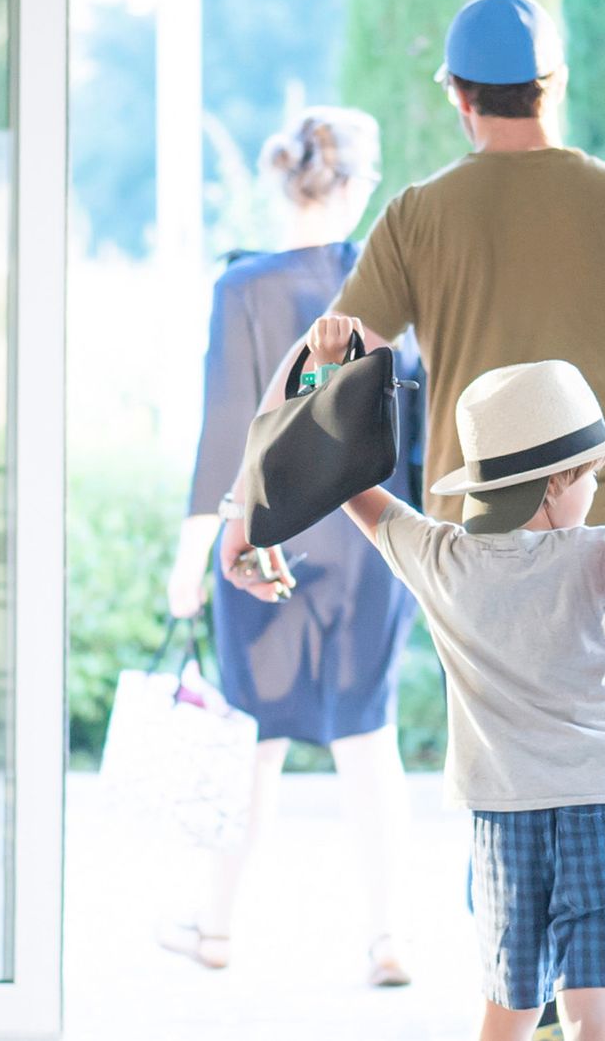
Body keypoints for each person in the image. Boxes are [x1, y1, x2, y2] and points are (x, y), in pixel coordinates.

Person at [219, 0, 605, 784]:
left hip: (483, 566)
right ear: (554, 82)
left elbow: (322, 365)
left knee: (501, 792)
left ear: (459, 95)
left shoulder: (419, 216)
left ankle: (507, 905)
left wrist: (249, 512)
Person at [307, 314, 605, 1041]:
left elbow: (348, 485)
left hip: (505, 813)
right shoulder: (597, 557)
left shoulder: (439, 560)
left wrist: (327, 374)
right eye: (589, 475)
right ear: (557, 482)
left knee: (512, 1003)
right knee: (594, 1012)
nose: (592, 490)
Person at [163, 107, 421, 986]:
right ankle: (388, 939)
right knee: (368, 738)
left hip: (263, 541)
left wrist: (190, 559)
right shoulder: (394, 290)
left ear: (284, 180)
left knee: (255, 743)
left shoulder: (241, 289)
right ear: (359, 185)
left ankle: (217, 926)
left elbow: (226, 431)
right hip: (374, 540)